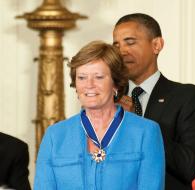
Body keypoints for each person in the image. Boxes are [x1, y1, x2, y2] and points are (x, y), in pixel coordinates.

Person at [34, 41, 165, 189]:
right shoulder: (55, 136)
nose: (89, 85)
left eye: (99, 77)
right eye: (82, 77)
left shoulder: (146, 132)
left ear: (115, 83)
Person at [113, 13, 195, 190]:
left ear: (156, 45)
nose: (121, 51)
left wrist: (138, 124)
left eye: (130, 42)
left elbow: (189, 166)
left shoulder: (188, 97)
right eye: (116, 45)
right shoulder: (110, 99)